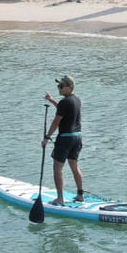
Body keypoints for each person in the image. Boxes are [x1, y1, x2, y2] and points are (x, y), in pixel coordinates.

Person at [42, 75, 84, 206]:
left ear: (70, 87)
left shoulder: (65, 102)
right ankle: (80, 195)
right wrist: (52, 100)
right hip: (77, 137)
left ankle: (60, 199)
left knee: (57, 168)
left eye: (61, 86)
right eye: (58, 86)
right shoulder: (76, 100)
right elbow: (64, 110)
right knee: (74, 165)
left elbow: (56, 122)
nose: (59, 88)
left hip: (65, 138)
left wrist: (47, 138)